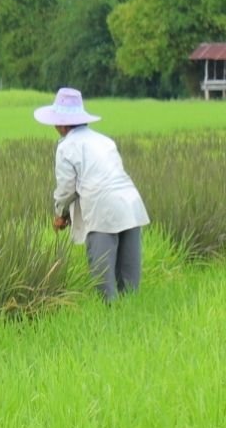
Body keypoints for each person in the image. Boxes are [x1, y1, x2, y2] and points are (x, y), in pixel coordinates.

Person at [37, 87, 152, 302]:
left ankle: (111, 319)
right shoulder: (105, 141)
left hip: (102, 208)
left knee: (103, 281)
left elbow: (66, 189)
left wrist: (61, 214)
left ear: (61, 124)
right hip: (131, 203)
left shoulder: (66, 146)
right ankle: (129, 316)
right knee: (129, 281)